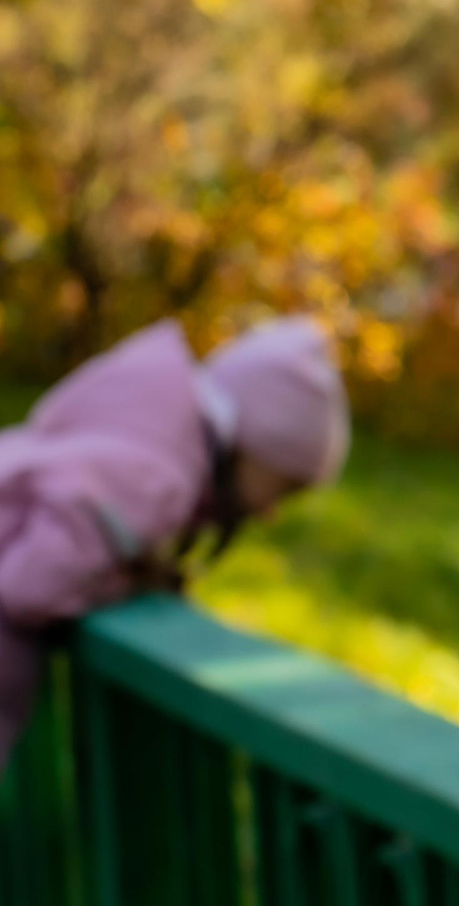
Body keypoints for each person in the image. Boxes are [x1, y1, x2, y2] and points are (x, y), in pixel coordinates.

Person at [0, 318, 349, 765]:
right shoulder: (153, 482)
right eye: (285, 487)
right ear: (254, 445)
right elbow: (29, 586)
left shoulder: (142, 416)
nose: (271, 512)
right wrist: (128, 581)